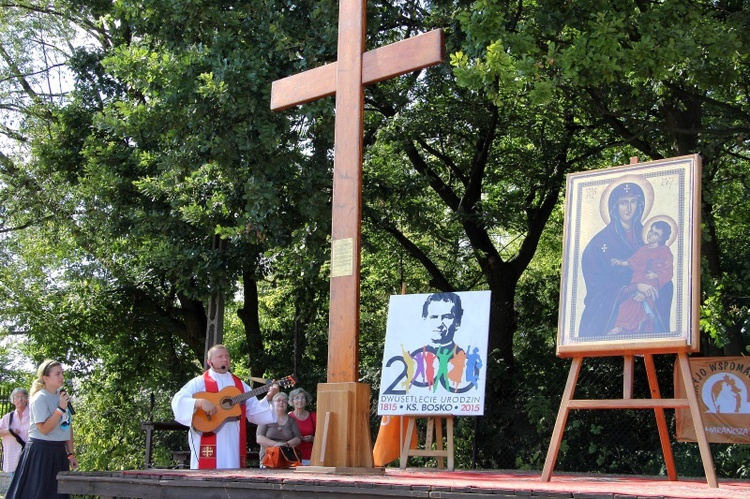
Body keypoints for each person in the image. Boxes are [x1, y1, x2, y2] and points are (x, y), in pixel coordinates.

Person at [578, 179, 672, 337]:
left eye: (633, 202)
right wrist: (633, 288)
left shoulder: (648, 238)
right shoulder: (599, 243)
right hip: (615, 302)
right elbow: (596, 285)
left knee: (668, 286)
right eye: (623, 203)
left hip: (647, 292)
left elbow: (662, 267)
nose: (629, 209)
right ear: (614, 208)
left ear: (640, 205)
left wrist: (653, 281)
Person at [171, 344, 279, 469]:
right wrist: (199, 402)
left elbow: (254, 410)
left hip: (232, 440)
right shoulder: (199, 382)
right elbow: (178, 400)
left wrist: (269, 397)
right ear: (209, 361)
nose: (225, 359)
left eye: (227, 356)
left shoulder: (240, 385)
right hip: (206, 434)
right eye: (220, 356)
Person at [5, 360, 78, 499]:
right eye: (57, 373)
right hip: (41, 452)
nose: (62, 377)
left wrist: (70, 454)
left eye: (62, 373)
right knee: (36, 494)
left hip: (58, 452)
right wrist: (60, 409)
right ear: (45, 377)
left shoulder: (62, 397)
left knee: (58, 495)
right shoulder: (39, 398)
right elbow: (44, 429)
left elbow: (67, 426)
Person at [608, 220, 674, 335]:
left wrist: (656, 275)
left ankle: (628, 327)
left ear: (661, 238)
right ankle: (621, 326)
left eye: (656, 234)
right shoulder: (643, 249)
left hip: (653, 283)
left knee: (638, 303)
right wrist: (620, 263)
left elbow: (668, 271)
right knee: (626, 304)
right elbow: (633, 261)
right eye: (651, 231)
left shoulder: (664, 251)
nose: (651, 235)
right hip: (639, 281)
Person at [256, 392, 301, 465]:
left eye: (284, 401)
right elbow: (259, 438)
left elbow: (298, 438)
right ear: (272, 403)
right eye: (278, 400)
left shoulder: (292, 421)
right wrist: (277, 444)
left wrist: (285, 445)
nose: (281, 402)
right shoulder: (265, 418)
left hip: (286, 459)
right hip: (268, 458)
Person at [0, 388, 30, 478]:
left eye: (22, 397)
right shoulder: (7, 418)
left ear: (27, 399)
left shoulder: (33, 415)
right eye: (17, 397)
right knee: (14, 489)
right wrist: (9, 431)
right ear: (13, 400)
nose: (20, 399)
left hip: (29, 458)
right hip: (12, 459)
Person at [287, 388, 316, 465]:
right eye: (297, 398)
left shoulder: (313, 416)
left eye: (302, 397)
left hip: (311, 457)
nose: (300, 400)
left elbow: (322, 438)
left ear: (306, 400)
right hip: (293, 457)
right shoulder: (288, 418)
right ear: (292, 401)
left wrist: (312, 438)